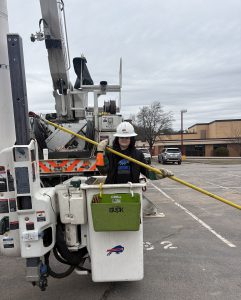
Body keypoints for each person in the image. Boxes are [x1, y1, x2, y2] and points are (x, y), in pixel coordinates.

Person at [96, 121, 173, 184]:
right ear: (117, 139)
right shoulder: (110, 153)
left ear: (131, 139)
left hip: (132, 190)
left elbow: (147, 172)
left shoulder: (138, 154)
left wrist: (160, 173)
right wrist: (100, 152)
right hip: (112, 190)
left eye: (127, 137)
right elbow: (103, 171)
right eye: (121, 137)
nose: (124, 139)